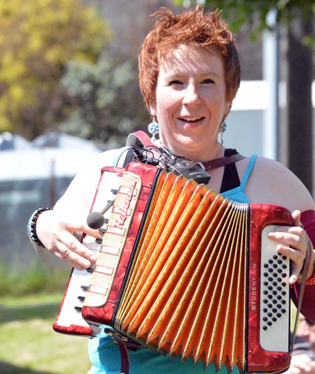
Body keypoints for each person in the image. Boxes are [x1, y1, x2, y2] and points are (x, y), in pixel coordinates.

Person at [28, 6, 315, 374]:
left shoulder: (273, 185)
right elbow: (56, 247)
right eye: (176, 82)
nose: (191, 98)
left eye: (208, 82)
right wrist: (42, 224)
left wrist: (310, 268)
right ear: (151, 98)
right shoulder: (112, 171)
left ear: (228, 99)